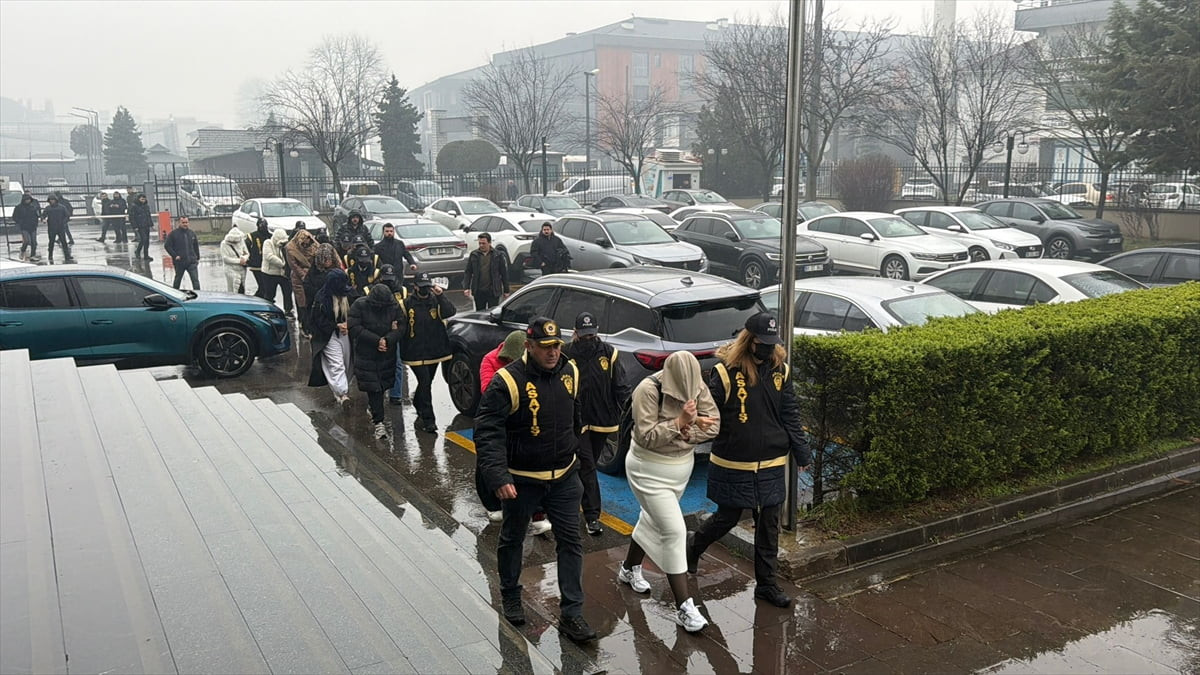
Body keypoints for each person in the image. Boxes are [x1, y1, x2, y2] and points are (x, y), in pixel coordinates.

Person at [474, 316, 597, 644]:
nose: (553, 352)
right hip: (522, 481)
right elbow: (487, 433)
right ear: (528, 346)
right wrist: (498, 476)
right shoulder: (506, 382)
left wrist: (580, 460)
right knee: (513, 538)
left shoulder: (570, 371)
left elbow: (576, 416)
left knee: (571, 542)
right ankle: (510, 593)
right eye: (545, 347)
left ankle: (572, 613)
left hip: (565, 478)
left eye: (556, 345)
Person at [687, 312, 811, 609]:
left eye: (772, 343)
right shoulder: (725, 372)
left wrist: (801, 450)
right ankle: (694, 546)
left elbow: (790, 412)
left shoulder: (781, 370)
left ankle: (767, 585)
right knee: (726, 518)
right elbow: (711, 412)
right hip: (734, 461)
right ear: (749, 341)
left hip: (770, 461)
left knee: (769, 525)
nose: (768, 349)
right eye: (762, 343)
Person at [619, 351, 720, 632]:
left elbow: (714, 424)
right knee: (674, 530)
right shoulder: (648, 390)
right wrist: (681, 422)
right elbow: (646, 436)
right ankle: (684, 606)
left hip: (681, 468)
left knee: (652, 519)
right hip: (647, 469)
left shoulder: (698, 386)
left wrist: (690, 432)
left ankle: (628, 569)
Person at [478, 330, 553, 535]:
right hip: (500, 420)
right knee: (490, 463)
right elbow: (488, 390)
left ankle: (538, 514)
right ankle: (494, 504)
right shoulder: (490, 361)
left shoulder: (533, 364)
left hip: (524, 422)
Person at [562, 311, 630, 536]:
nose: (588, 339)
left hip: (602, 422)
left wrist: (631, 415)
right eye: (584, 335)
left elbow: (620, 386)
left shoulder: (609, 354)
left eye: (591, 335)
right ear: (575, 333)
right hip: (577, 421)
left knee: (584, 466)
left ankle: (575, 499)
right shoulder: (566, 354)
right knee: (588, 466)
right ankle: (592, 516)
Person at [400, 272, 455, 433]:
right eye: (421, 287)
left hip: (435, 350)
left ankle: (418, 403)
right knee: (424, 382)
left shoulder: (435, 300)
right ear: (415, 287)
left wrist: (441, 296)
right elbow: (401, 327)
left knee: (427, 383)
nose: (425, 290)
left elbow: (450, 312)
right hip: (415, 352)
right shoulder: (406, 304)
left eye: (427, 287)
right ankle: (429, 419)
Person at [349, 283, 403, 440]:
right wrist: (376, 340)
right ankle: (379, 422)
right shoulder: (359, 305)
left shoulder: (393, 306)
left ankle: (374, 409)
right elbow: (354, 328)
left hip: (387, 353)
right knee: (374, 388)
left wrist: (388, 339)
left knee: (383, 385)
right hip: (367, 353)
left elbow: (401, 326)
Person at [307, 269, 355, 406]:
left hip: (346, 334)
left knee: (348, 362)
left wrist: (349, 324)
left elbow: (357, 312)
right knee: (336, 363)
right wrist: (336, 326)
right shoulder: (321, 299)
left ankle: (340, 390)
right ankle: (342, 393)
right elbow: (317, 320)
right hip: (328, 336)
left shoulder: (349, 294)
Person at [377, 265, 410, 405]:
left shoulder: (402, 290)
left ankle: (395, 395)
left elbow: (407, 311)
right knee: (380, 364)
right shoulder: (374, 290)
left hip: (396, 331)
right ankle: (379, 391)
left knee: (397, 364)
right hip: (378, 331)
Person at [463, 232, 509, 310]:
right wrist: (466, 287)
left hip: (493, 291)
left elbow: (504, 273)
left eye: (483, 243)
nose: (481, 245)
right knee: (480, 313)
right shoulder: (474, 254)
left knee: (492, 313)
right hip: (479, 291)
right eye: (480, 243)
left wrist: (506, 290)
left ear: (489, 243)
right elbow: (468, 272)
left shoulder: (497, 255)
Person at [286, 227, 318, 334]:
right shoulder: (291, 248)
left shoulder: (315, 245)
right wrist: (304, 275)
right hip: (298, 278)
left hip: (312, 275)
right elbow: (294, 265)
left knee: (312, 301)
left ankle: (310, 324)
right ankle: (304, 324)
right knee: (302, 302)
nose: (306, 245)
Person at [303, 243, 340, 331]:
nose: (326, 261)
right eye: (323, 259)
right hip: (317, 307)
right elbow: (306, 287)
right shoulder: (313, 271)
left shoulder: (337, 270)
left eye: (328, 259)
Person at [260, 228, 294, 315]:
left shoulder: (286, 245)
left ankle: (288, 309)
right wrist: (283, 264)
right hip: (269, 273)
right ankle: (269, 309)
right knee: (269, 294)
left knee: (287, 292)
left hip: (283, 274)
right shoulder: (268, 243)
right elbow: (269, 256)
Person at [164, 215, 201, 290]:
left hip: (192, 262)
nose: (185, 224)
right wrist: (175, 256)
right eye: (183, 222)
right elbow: (167, 246)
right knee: (177, 281)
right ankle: (174, 295)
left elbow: (196, 246)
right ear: (179, 223)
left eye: (186, 222)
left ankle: (199, 296)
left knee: (195, 281)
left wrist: (197, 258)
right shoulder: (173, 234)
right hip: (179, 262)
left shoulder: (192, 233)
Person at [41, 194, 73, 263]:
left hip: (60, 227)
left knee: (64, 242)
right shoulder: (48, 208)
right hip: (51, 227)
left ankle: (67, 256)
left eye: (53, 200)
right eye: (50, 200)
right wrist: (43, 219)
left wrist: (63, 223)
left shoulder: (62, 207)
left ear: (56, 200)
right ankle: (50, 255)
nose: (52, 201)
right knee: (51, 242)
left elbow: (67, 216)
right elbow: (43, 215)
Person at [219, 225, 250, 293]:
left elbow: (247, 253)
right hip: (230, 269)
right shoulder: (224, 244)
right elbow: (225, 259)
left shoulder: (241, 241)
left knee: (242, 289)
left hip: (242, 269)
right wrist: (239, 261)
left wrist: (244, 258)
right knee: (232, 289)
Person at [247, 218, 271, 296]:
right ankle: (258, 300)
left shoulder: (270, 236)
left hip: (268, 265)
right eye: (261, 225)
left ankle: (265, 299)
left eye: (264, 225)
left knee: (266, 287)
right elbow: (246, 248)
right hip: (257, 265)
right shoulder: (252, 236)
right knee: (262, 286)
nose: (263, 227)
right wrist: (249, 258)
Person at [14, 192, 40, 261]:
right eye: (26, 199)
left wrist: (36, 223)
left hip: (33, 227)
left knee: (34, 242)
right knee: (26, 241)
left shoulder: (33, 207)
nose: (27, 201)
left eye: (29, 199)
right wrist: (20, 222)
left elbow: (36, 216)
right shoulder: (18, 207)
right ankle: (22, 251)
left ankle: (33, 255)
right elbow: (15, 217)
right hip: (24, 227)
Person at [129, 193, 153, 260]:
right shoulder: (134, 206)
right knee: (143, 239)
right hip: (139, 225)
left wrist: (151, 224)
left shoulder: (146, 206)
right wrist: (135, 226)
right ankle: (138, 251)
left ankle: (146, 255)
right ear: (138, 199)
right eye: (142, 199)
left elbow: (148, 216)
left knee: (146, 240)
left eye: (144, 199)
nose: (143, 200)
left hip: (146, 225)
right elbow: (132, 217)